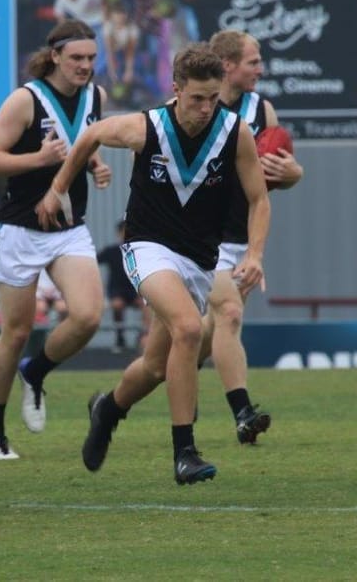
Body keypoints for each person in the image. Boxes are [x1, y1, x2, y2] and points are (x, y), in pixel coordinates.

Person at [37, 43, 270, 485]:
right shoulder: (146, 128)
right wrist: (58, 188)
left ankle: (108, 408)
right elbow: (89, 136)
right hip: (148, 247)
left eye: (213, 98)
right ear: (176, 90)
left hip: (201, 260)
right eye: (196, 98)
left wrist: (255, 253)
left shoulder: (234, 131)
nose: (205, 108)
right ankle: (185, 453)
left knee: (156, 367)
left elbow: (259, 199)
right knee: (188, 329)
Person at [0, 20, 111, 460]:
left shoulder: (96, 97)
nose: (85, 66)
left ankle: (35, 373)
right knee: (14, 332)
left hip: (69, 229)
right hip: (20, 228)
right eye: (76, 58)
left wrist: (95, 165)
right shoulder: (25, 100)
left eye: (91, 58)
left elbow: (82, 144)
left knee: (89, 316)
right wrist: (38, 158)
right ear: (54, 56)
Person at [202, 29, 302, 444]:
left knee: (205, 335)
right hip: (198, 240)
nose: (261, 68)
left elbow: (272, 178)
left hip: (240, 240)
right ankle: (243, 414)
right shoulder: (196, 108)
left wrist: (293, 174)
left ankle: (119, 401)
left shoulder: (263, 110)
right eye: (253, 61)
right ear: (227, 65)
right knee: (229, 316)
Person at [96, 220, 150, 353]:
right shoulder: (111, 251)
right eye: (123, 232)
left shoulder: (139, 251)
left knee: (147, 304)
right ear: (119, 234)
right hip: (117, 291)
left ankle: (144, 335)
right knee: (117, 305)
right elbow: (93, 261)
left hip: (135, 290)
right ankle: (119, 337)